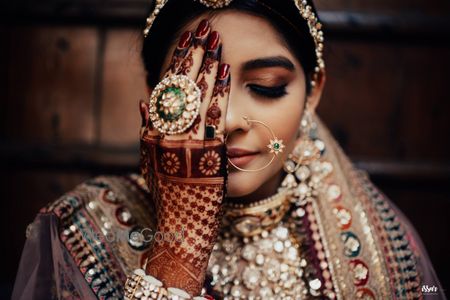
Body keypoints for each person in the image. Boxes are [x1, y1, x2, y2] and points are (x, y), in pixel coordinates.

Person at [12, 0, 446, 299]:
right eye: (194, 90)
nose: (230, 120)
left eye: (265, 87)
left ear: (312, 93)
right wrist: (176, 255)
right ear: (153, 93)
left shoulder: (391, 250)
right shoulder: (76, 232)